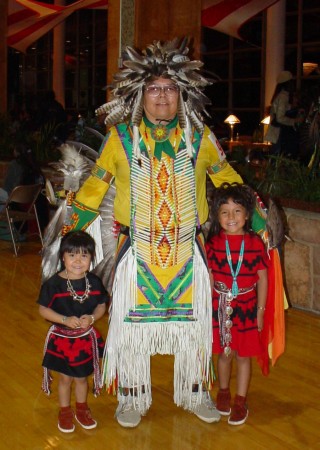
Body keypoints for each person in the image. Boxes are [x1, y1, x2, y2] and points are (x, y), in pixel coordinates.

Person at [58, 38, 276, 428]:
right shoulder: (121, 138)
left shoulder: (200, 138)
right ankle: (131, 397)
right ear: (140, 94)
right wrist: (70, 223)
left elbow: (226, 179)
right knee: (130, 329)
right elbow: (96, 186)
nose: (162, 96)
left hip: (185, 251)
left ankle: (194, 391)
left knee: (191, 327)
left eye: (171, 88)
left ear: (183, 95)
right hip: (137, 249)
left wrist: (258, 220)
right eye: (154, 88)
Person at [205, 183, 269, 426]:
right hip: (220, 307)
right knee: (224, 354)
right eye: (224, 212)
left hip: (247, 308)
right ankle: (223, 392)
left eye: (237, 211)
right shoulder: (212, 245)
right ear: (217, 216)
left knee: (244, 356)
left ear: (247, 215)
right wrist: (206, 310)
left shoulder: (254, 244)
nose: (231, 217)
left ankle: (240, 400)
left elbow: (262, 278)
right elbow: (209, 278)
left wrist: (260, 313)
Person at [37, 230, 108, 433]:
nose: (78, 260)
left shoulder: (93, 282)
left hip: (85, 340)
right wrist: (64, 320)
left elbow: (102, 305)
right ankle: (65, 410)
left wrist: (93, 318)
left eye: (84, 255)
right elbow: (43, 309)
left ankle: (82, 408)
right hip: (61, 341)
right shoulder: (53, 284)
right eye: (72, 255)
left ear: (91, 259)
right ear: (63, 257)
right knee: (65, 379)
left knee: (81, 378)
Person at [265, 70, 304, 158]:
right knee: (278, 159)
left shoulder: (281, 95)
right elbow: (280, 118)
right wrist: (295, 120)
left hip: (278, 134)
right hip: (280, 134)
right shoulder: (283, 96)